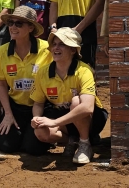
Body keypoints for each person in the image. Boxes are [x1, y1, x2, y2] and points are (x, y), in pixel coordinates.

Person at [30, 27, 108, 163]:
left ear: (73, 50)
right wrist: (36, 118)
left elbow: (87, 108)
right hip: (62, 116)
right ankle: (72, 141)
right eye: (54, 44)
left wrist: (54, 122)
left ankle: (85, 143)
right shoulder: (43, 72)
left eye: (62, 44)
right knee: (40, 132)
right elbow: (38, 102)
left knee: (77, 102)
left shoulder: (84, 70)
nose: (56, 48)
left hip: (91, 119)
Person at [0, 5, 52, 154]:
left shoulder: (46, 49)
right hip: (15, 107)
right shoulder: (2, 51)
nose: (13, 27)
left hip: (40, 107)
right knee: (6, 146)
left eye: (19, 24)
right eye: (10, 23)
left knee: (33, 149)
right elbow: (2, 84)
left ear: (31, 28)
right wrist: (8, 114)